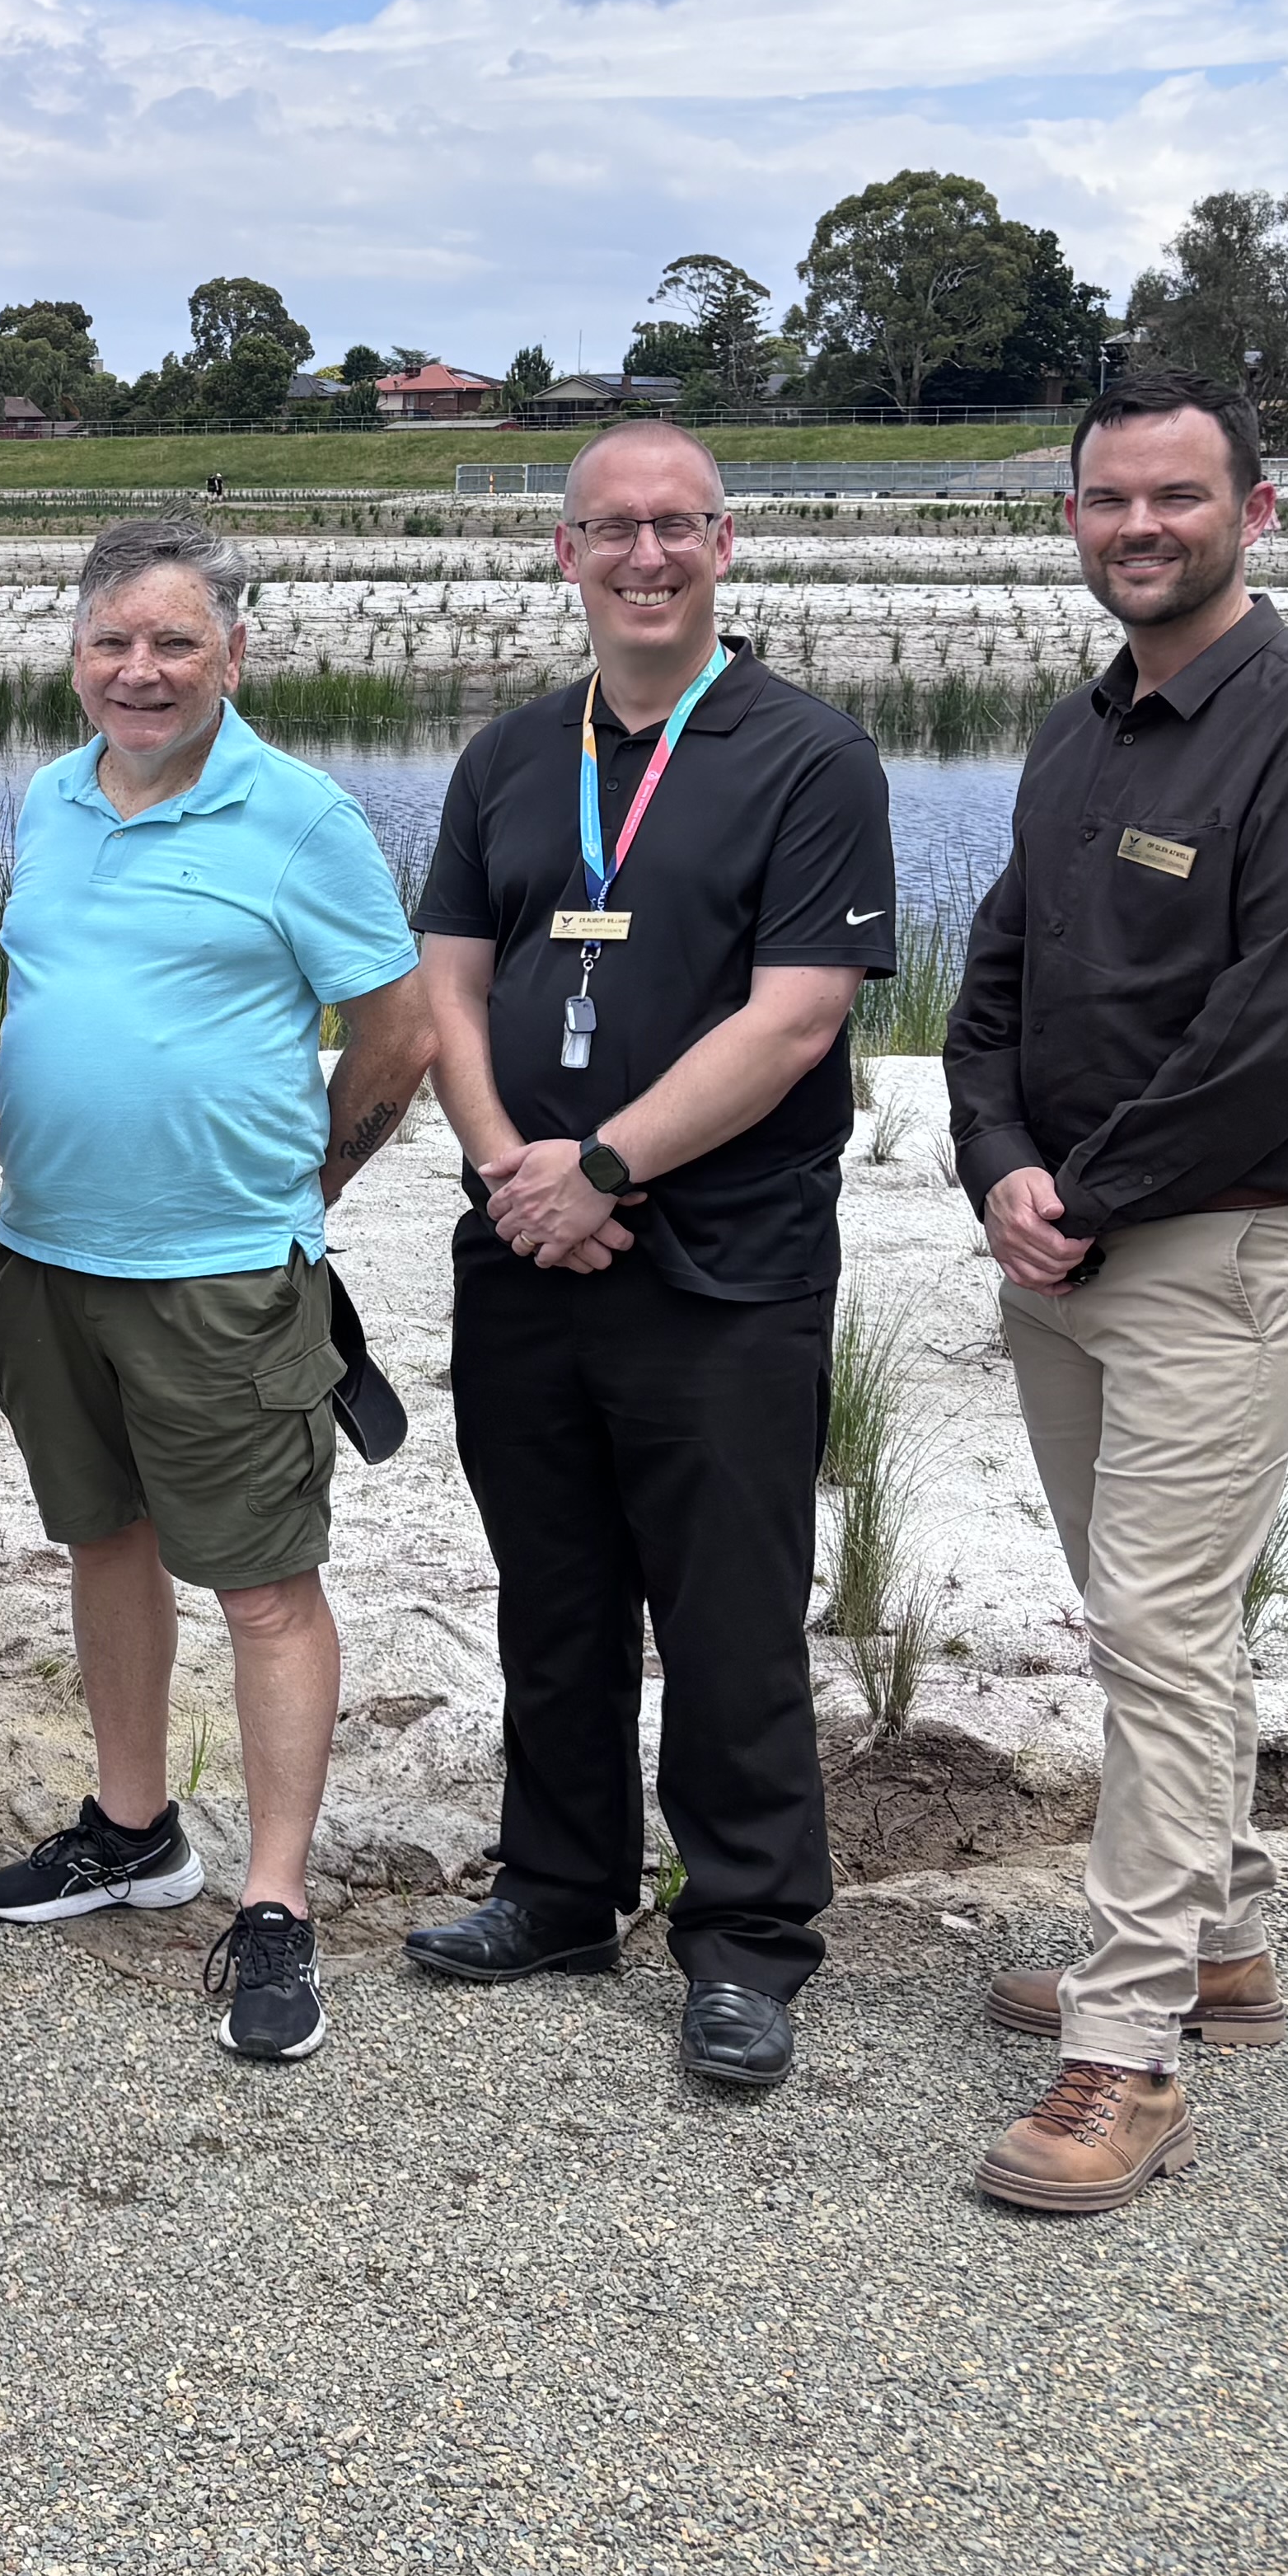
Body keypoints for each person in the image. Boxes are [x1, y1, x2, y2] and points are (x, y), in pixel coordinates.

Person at [946, 368, 1288, 2213]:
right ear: (1070, 517)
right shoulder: (1083, 735)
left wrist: (1084, 1191)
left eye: (1177, 498)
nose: (1139, 529)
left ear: (1259, 513)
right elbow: (993, 977)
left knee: (1156, 1631)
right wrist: (994, 1162)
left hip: (1225, 1249)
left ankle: (1128, 2047)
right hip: (1065, 1247)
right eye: (1106, 501)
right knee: (1145, 1615)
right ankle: (1219, 1938)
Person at [405, 420, 892, 2090]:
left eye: (676, 526)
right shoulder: (511, 761)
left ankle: (747, 1940)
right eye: (612, 529)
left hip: (724, 1265)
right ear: (565, 555)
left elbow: (798, 1015)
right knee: (553, 1597)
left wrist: (605, 1164)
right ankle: (557, 1888)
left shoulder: (807, 757)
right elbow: (448, 990)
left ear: (725, 546)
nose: (645, 556)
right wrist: (508, 1173)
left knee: (730, 1614)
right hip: (525, 1254)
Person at [0, 518, 433, 2064]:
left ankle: (279, 1901)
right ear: (77, 657)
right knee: (106, 1543)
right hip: (49, 1261)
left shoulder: (302, 819)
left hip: (223, 1275)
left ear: (234, 656)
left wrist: (312, 1191)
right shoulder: (45, 796)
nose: (141, 671)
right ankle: (129, 1827)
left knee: (261, 1584)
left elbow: (400, 1031)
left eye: (174, 643)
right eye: (113, 643)